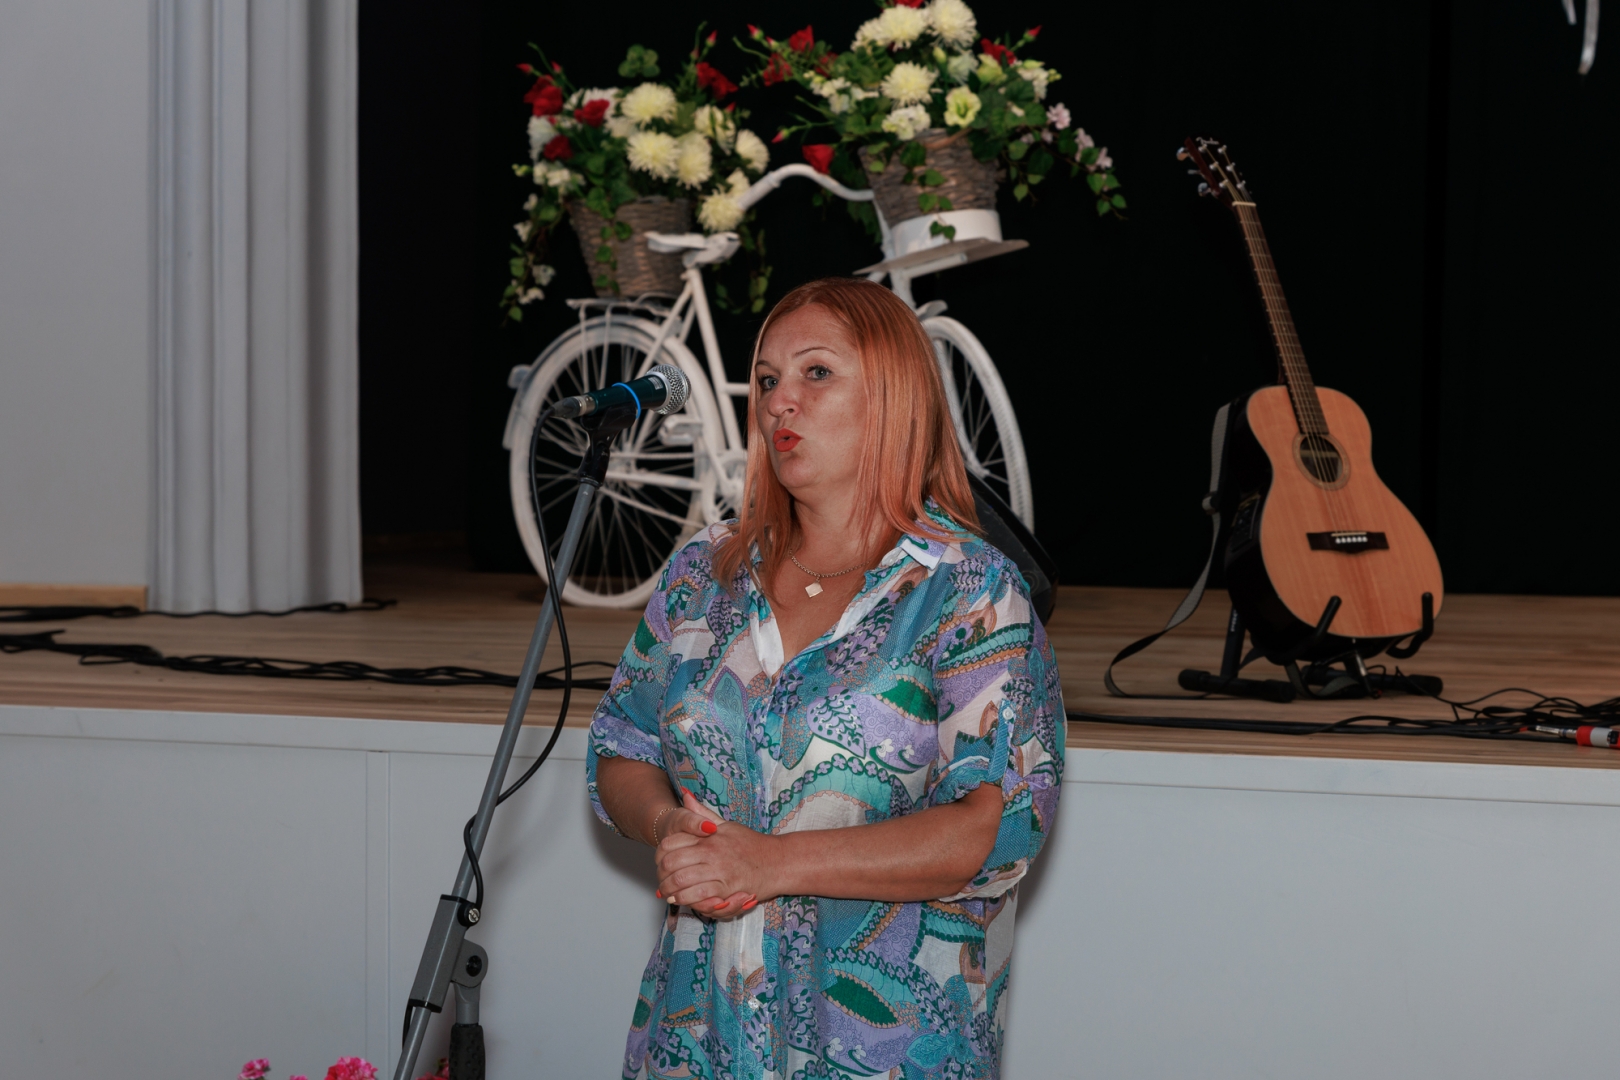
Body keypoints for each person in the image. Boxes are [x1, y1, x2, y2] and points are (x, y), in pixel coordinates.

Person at [587, 277, 1064, 1079]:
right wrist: (668, 826)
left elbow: (993, 832)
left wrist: (769, 864)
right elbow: (621, 747)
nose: (781, 401)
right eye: (767, 379)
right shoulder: (704, 571)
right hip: (697, 1043)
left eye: (816, 373)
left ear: (894, 396)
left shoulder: (970, 592)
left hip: (882, 1053)